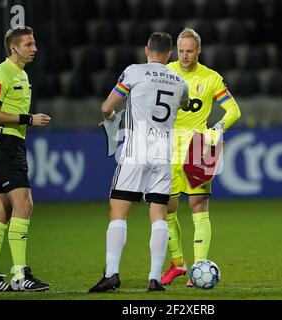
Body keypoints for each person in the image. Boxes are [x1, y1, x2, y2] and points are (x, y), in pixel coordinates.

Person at [88, 32, 189, 292]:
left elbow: (106, 106)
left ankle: (111, 274)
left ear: (147, 50)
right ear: (169, 55)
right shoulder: (180, 80)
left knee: (118, 211)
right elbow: (185, 104)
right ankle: (155, 278)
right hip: (163, 156)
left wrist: (111, 119)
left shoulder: (134, 72)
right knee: (158, 216)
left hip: (136, 152)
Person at [161, 28, 241, 287]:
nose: (185, 56)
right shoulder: (164, 72)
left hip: (199, 147)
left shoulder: (211, 78)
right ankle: (178, 263)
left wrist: (216, 130)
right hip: (166, 147)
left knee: (198, 208)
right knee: (166, 210)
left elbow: (233, 110)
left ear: (199, 51)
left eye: (190, 51)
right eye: (181, 51)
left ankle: (198, 268)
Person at [0, 26, 51, 292]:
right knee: (25, 205)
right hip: (3, 144)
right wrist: (28, 119)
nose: (34, 48)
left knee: (3, 209)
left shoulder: (21, 74)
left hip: (12, 145)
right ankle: (20, 275)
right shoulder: (1, 72)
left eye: (34, 44)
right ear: (14, 48)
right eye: (29, 44)